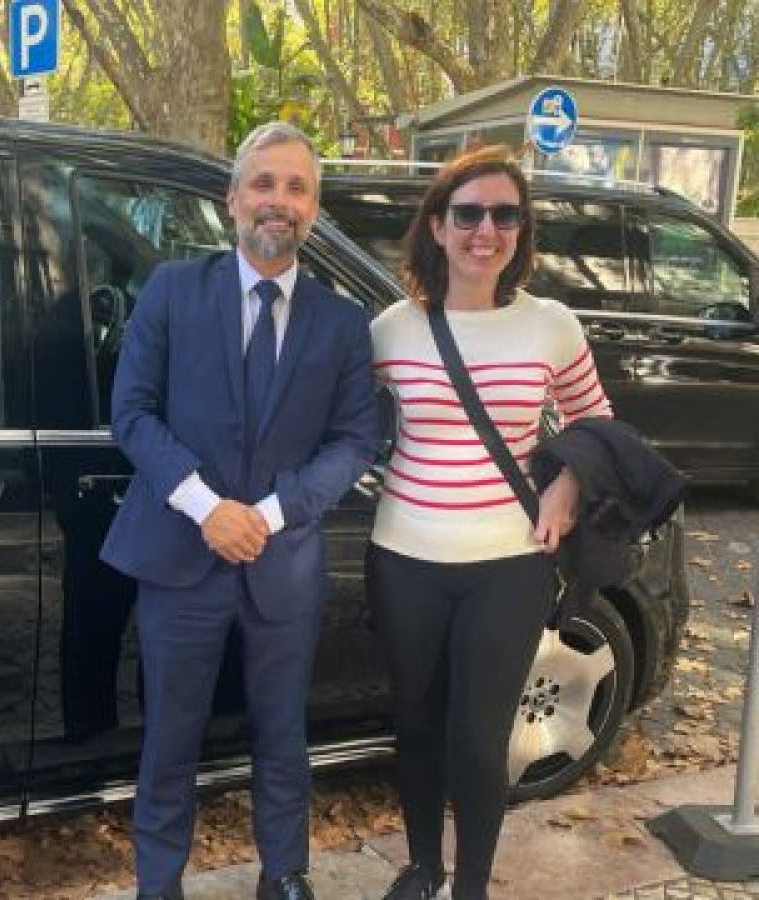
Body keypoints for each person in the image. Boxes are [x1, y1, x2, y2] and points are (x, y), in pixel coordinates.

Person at [100, 121, 380, 900]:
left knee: (284, 739)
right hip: (181, 560)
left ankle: (284, 874)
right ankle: (160, 883)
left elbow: (356, 439)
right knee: (170, 740)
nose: (278, 202)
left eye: (296, 188)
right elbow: (132, 413)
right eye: (263, 183)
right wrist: (205, 507)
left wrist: (271, 511)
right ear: (231, 200)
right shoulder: (171, 290)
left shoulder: (342, 322)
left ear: (314, 210)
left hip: (280, 567)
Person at [369, 146, 612, 900]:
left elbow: (594, 422)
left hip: (510, 562)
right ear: (437, 227)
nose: (487, 230)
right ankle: (421, 867)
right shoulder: (392, 330)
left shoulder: (551, 324)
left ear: (521, 230)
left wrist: (567, 485)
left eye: (506, 215)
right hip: (403, 555)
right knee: (416, 726)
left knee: (479, 737)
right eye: (469, 213)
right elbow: (347, 429)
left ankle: (470, 881)